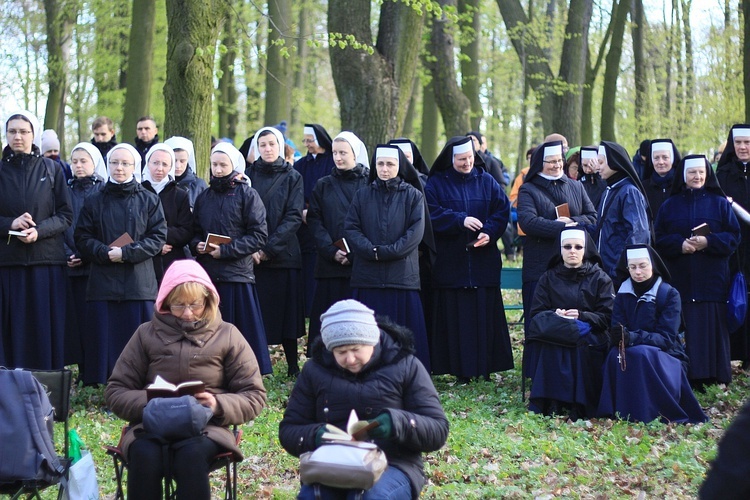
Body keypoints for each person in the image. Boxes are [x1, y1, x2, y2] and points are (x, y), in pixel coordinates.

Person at [105, 260, 267, 500]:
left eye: (195, 305)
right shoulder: (145, 334)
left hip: (207, 429)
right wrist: (149, 403)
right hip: (149, 426)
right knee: (144, 455)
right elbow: (116, 390)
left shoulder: (228, 334)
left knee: (190, 456)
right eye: (179, 305)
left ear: (208, 301)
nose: (188, 313)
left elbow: (254, 395)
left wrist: (217, 404)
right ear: (165, 303)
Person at [278, 299, 449, 500]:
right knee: (311, 497)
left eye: (356, 349)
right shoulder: (314, 371)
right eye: (341, 352)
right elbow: (289, 430)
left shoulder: (406, 365)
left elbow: (438, 429)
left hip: (394, 464)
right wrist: (316, 435)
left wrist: (397, 423)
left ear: (372, 340)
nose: (350, 359)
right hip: (333, 465)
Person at [74, 143, 167, 385]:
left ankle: (141, 386)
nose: (119, 168)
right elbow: (82, 236)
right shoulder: (94, 200)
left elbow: (157, 238)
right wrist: (104, 252)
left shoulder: (149, 200)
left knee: (138, 340)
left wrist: (126, 253)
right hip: (103, 283)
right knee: (106, 339)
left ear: (135, 167)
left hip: (138, 283)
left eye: (125, 163)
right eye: (115, 163)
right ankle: (109, 386)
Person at [425, 136, 513, 380]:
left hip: (482, 262)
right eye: (461, 159)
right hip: (451, 264)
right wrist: (459, 220)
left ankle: (485, 369)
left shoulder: (487, 181)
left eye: (470, 159)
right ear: (451, 159)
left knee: (483, 317)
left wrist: (489, 232)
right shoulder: (436, 184)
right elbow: (430, 213)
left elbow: (502, 210)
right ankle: (458, 370)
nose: (466, 163)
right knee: (455, 321)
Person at [597, 245, 707, 423]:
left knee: (641, 354)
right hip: (632, 349)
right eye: (632, 267)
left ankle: (647, 413)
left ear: (653, 266)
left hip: (668, 354)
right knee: (613, 355)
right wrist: (618, 336)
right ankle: (618, 412)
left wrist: (632, 337)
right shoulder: (622, 294)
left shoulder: (669, 294)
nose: (637, 272)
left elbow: (666, 338)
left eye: (642, 266)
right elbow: (618, 328)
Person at [655, 155, 740, 387]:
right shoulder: (669, 206)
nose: (697, 176)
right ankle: (687, 375)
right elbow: (659, 238)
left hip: (712, 280)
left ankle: (715, 375)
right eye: (692, 172)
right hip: (681, 279)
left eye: (701, 172)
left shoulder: (720, 203)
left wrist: (709, 243)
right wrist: (680, 245)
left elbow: (734, 237)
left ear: (708, 174)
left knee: (712, 326)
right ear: (684, 175)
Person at [344, 144, 430, 371]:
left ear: (400, 166)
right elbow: (351, 228)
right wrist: (371, 250)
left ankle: (408, 373)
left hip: (401, 276)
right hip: (368, 275)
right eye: (380, 164)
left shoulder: (413, 196)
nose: (384, 169)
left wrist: (388, 251)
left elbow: (415, 233)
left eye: (390, 164)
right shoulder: (362, 195)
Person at [191, 142, 273, 375]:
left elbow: (258, 235)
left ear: (234, 166)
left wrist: (226, 251)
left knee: (240, 328)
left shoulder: (248, 195)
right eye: (214, 165)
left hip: (237, 273)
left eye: (222, 165)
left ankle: (247, 371)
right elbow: (195, 229)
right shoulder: (204, 196)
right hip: (208, 273)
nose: (217, 169)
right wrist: (196, 244)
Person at [0, 111, 73, 370]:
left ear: (33, 135)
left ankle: (47, 385)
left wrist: (38, 231)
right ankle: (10, 388)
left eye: (23, 131)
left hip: (47, 263)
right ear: (6, 135)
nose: (17, 137)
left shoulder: (52, 169)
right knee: (12, 331)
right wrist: (10, 223)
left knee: (44, 329)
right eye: (12, 132)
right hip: (9, 265)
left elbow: (65, 215)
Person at [525, 229, 613, 418]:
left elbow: (608, 317)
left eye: (578, 247)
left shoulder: (600, 278)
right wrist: (554, 314)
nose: (572, 251)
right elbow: (536, 314)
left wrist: (583, 316)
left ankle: (579, 404)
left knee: (579, 343)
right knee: (553, 344)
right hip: (557, 331)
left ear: (585, 250)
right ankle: (552, 403)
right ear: (560, 250)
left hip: (590, 332)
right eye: (567, 247)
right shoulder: (548, 277)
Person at [517, 140, 597, 330]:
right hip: (540, 266)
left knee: (570, 323)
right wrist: (561, 227)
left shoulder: (576, 186)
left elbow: (593, 217)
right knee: (540, 323)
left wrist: (571, 224)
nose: (557, 165)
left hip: (572, 267)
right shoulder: (528, 189)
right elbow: (528, 223)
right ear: (539, 164)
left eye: (559, 160)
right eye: (551, 161)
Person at [246, 126, 305, 377]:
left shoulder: (293, 177)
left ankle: (293, 365)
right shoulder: (248, 175)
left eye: (271, 144)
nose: (268, 149)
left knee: (287, 315)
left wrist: (268, 249)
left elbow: (293, 217)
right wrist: (253, 248)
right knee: (256, 313)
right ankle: (254, 364)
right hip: (253, 256)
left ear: (280, 146)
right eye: (263, 145)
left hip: (284, 256)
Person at [306, 132, 370, 353]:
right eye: (335, 152)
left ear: (355, 153)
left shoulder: (369, 183)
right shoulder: (323, 185)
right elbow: (315, 220)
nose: (338, 157)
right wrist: (331, 250)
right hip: (329, 263)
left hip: (360, 263)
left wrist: (355, 252)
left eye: (343, 152)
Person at [63, 142, 107, 368]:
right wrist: (67, 253)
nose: (78, 166)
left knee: (95, 321)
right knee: (75, 321)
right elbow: (59, 222)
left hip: (94, 267)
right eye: (75, 161)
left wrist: (87, 254)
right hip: (70, 266)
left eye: (83, 161)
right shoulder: (64, 190)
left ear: (95, 163)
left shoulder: (103, 191)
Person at [294, 124, 336, 319]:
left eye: (310, 141)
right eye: (305, 141)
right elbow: (295, 188)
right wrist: (301, 209)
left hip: (324, 222)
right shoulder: (301, 164)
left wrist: (315, 212)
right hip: (303, 225)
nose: (307, 145)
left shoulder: (332, 162)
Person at [716, 124, 750, 365]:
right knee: (737, 294)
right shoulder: (723, 175)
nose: (743, 147)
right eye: (738, 143)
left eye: (747, 143)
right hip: (735, 249)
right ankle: (737, 354)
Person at [594, 141, 652, 280]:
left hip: (619, 273)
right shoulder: (609, 190)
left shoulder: (629, 192)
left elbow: (637, 234)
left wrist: (623, 268)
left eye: (601, 163)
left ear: (614, 163)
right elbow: (603, 228)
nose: (597, 167)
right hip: (605, 270)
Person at [142, 144, 193, 284]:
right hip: (143, 260)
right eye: (155, 163)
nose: (159, 168)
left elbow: (186, 230)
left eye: (165, 164)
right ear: (147, 163)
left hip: (172, 260)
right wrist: (156, 246)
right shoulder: (137, 193)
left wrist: (157, 238)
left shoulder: (180, 195)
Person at [164, 136, 207, 209]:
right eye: (174, 160)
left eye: (182, 161)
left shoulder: (198, 186)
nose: (178, 166)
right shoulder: (160, 183)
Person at [642, 139, 681, 216]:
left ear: (672, 159)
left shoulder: (681, 186)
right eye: (656, 158)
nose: (660, 162)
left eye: (665, 157)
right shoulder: (643, 188)